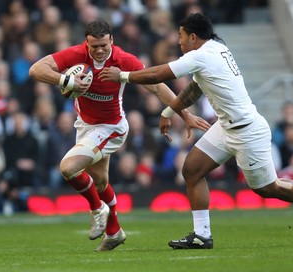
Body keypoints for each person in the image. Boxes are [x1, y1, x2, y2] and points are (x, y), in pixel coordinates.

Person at [99, 13, 293, 250]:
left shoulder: (203, 55)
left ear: (193, 36)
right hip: (226, 127)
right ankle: (202, 235)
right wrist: (168, 112)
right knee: (191, 170)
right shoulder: (213, 50)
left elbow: (159, 74)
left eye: (181, 36)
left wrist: (123, 76)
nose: (178, 42)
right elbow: (195, 88)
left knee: (266, 188)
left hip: (247, 131)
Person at [28, 20, 202, 251]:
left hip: (112, 127)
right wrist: (65, 80)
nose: (99, 50)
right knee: (100, 184)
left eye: (103, 45)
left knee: (68, 168)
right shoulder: (77, 54)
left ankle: (97, 210)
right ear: (86, 43)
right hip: (85, 126)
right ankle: (114, 232)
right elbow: (36, 69)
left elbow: (157, 87)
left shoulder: (124, 60)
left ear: (112, 40)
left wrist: (184, 114)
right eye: (94, 46)